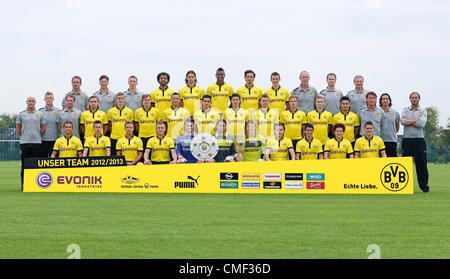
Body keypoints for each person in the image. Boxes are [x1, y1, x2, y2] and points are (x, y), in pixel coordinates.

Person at [400, 92, 429, 193]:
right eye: (412, 97)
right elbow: (402, 122)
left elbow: (421, 124)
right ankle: (405, 187)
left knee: (421, 164)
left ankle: (424, 187)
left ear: (419, 99)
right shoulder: (405, 110)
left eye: (416, 97)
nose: (414, 99)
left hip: (419, 140)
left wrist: (409, 121)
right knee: (405, 164)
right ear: (410, 99)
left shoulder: (423, 111)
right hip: (407, 140)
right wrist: (415, 121)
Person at [16, 96, 46, 188]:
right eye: (29, 101)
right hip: (24, 143)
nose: (31, 102)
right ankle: (24, 184)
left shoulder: (40, 114)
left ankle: (35, 184)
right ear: (26, 102)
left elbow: (43, 127)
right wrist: (24, 136)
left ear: (35, 102)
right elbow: (18, 127)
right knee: (24, 164)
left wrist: (37, 135)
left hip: (37, 143)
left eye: (33, 101)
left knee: (36, 163)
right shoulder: (21, 114)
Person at [39, 92, 60, 157]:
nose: (49, 100)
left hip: (55, 140)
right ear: (44, 99)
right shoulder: (40, 112)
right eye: (47, 98)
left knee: (54, 162)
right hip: (43, 140)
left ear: (53, 99)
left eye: (50, 98)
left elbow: (59, 125)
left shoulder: (58, 111)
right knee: (43, 161)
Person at [379, 93, 400, 157]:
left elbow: (397, 127)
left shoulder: (395, 113)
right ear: (380, 101)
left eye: (387, 99)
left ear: (389, 101)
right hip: (379, 141)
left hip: (392, 141)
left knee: (392, 161)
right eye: (383, 99)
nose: (385, 100)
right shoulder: (377, 112)